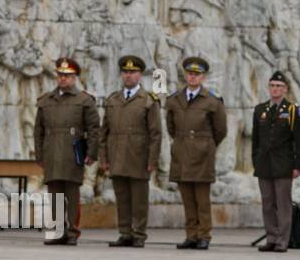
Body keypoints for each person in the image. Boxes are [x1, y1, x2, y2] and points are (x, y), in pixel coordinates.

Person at [34, 57, 101, 246]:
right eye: (61, 75)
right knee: (54, 193)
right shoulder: (46, 100)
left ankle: (72, 231)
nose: (63, 79)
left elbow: (94, 129)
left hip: (73, 153)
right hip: (52, 152)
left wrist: (92, 153)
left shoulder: (84, 100)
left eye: (68, 76)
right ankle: (57, 231)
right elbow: (38, 131)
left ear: (75, 77)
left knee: (72, 194)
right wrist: (39, 154)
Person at [166, 56, 228, 249]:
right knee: (187, 199)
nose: (192, 77)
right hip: (182, 154)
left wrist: (205, 144)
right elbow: (171, 127)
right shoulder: (175, 100)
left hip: (202, 155)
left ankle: (204, 235)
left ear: (203, 77)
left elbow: (220, 130)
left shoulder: (212, 101)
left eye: (197, 74)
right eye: (190, 74)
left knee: (202, 200)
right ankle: (191, 234)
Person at [100, 54, 161, 248]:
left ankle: (138, 233)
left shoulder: (148, 100)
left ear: (140, 75)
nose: (128, 76)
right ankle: (125, 232)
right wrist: (104, 157)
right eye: (125, 72)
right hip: (117, 155)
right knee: (122, 198)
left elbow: (156, 134)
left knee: (139, 200)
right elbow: (104, 132)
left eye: (133, 72)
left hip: (138, 156)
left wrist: (152, 159)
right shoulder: (113, 99)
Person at [251, 70, 300, 252]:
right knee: (267, 203)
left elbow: (299, 140)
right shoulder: (260, 110)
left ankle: (283, 239)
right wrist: (255, 161)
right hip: (264, 163)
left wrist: (298, 165)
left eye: (279, 86)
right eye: (272, 86)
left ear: (285, 89)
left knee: (283, 204)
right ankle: (271, 237)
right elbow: (256, 140)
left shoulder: (292, 110)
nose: (275, 89)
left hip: (284, 164)